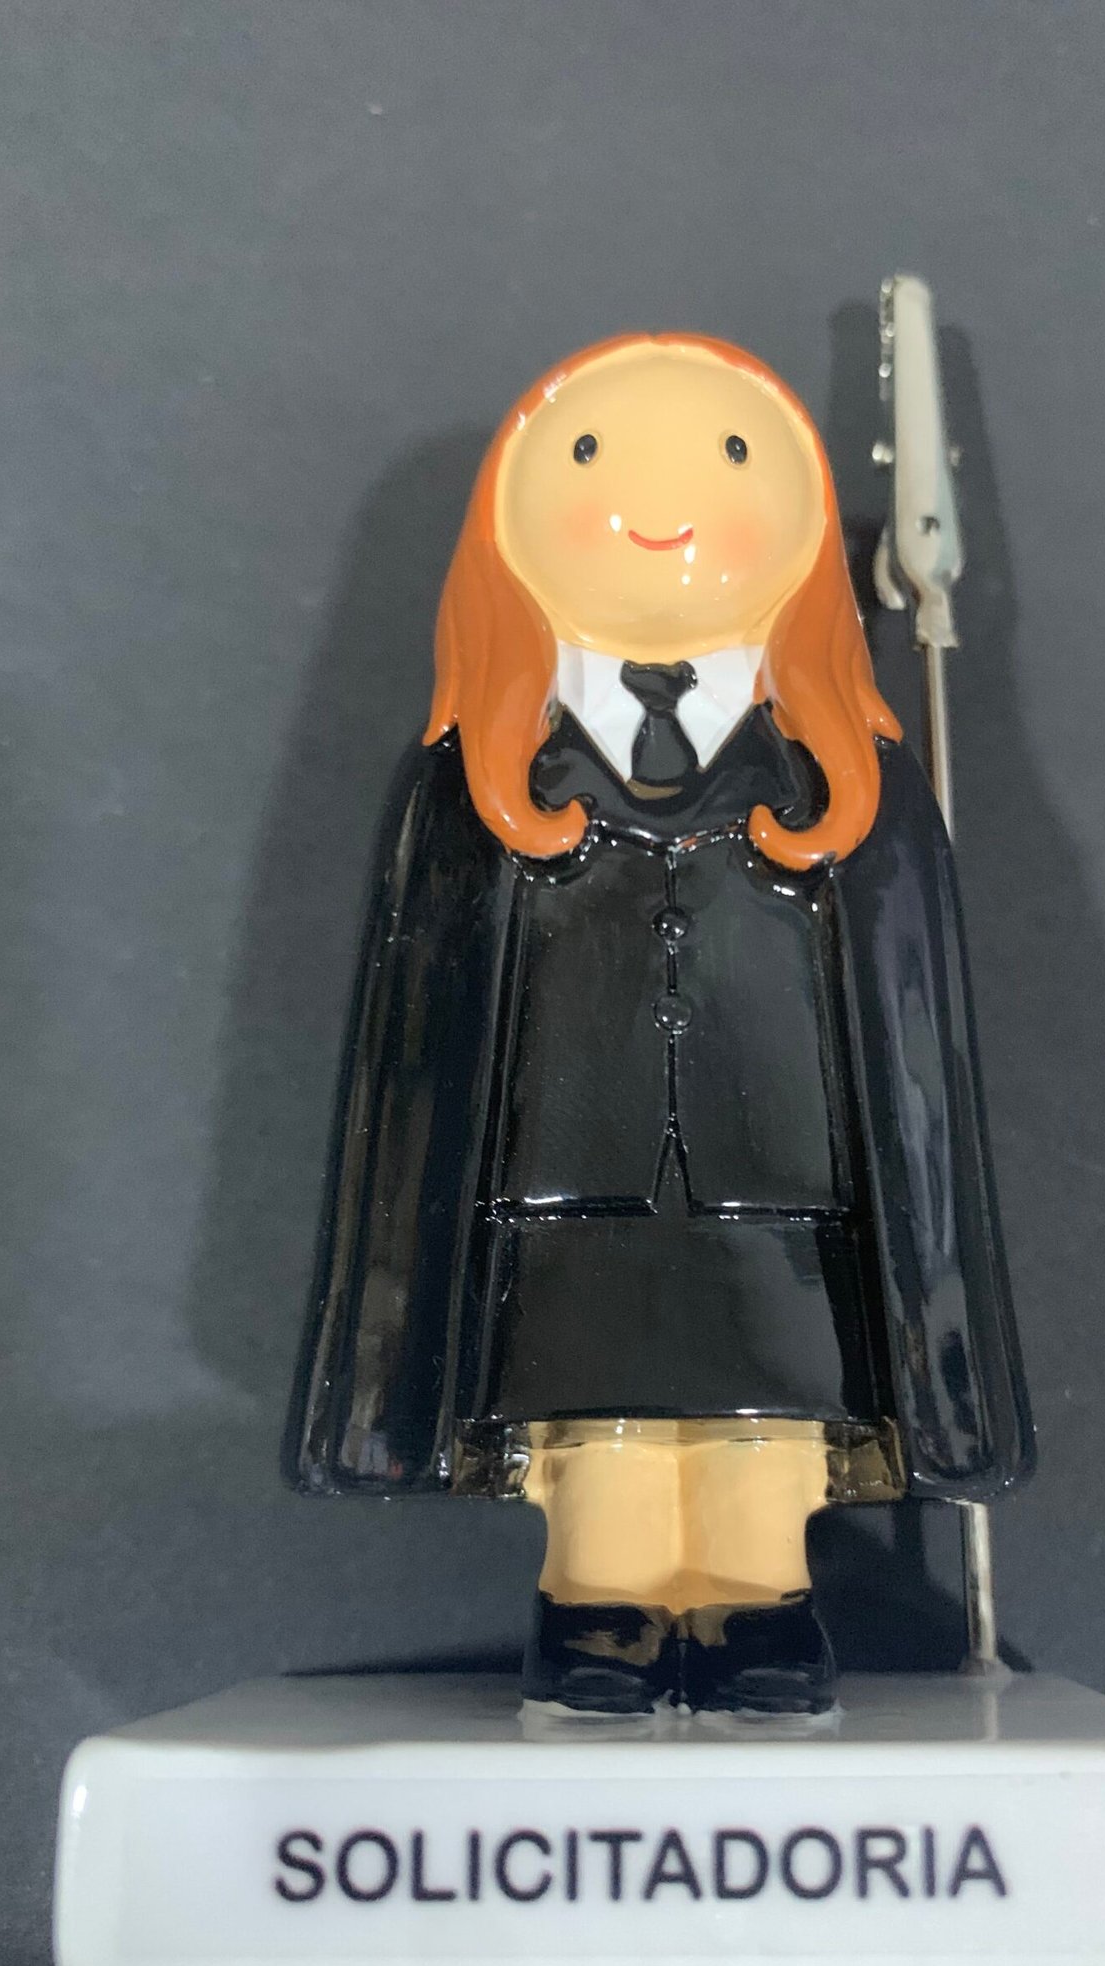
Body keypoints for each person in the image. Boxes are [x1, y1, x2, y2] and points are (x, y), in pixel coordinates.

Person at [289, 333, 1032, 1717]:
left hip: (783, 1191)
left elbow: (913, 1031)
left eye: (733, 457)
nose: (660, 500)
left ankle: (760, 1603)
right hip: (566, 1191)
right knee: (602, 1427)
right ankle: (601, 1607)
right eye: (588, 457)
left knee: (764, 1423)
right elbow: (415, 1046)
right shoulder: (471, 787)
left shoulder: (852, 789)